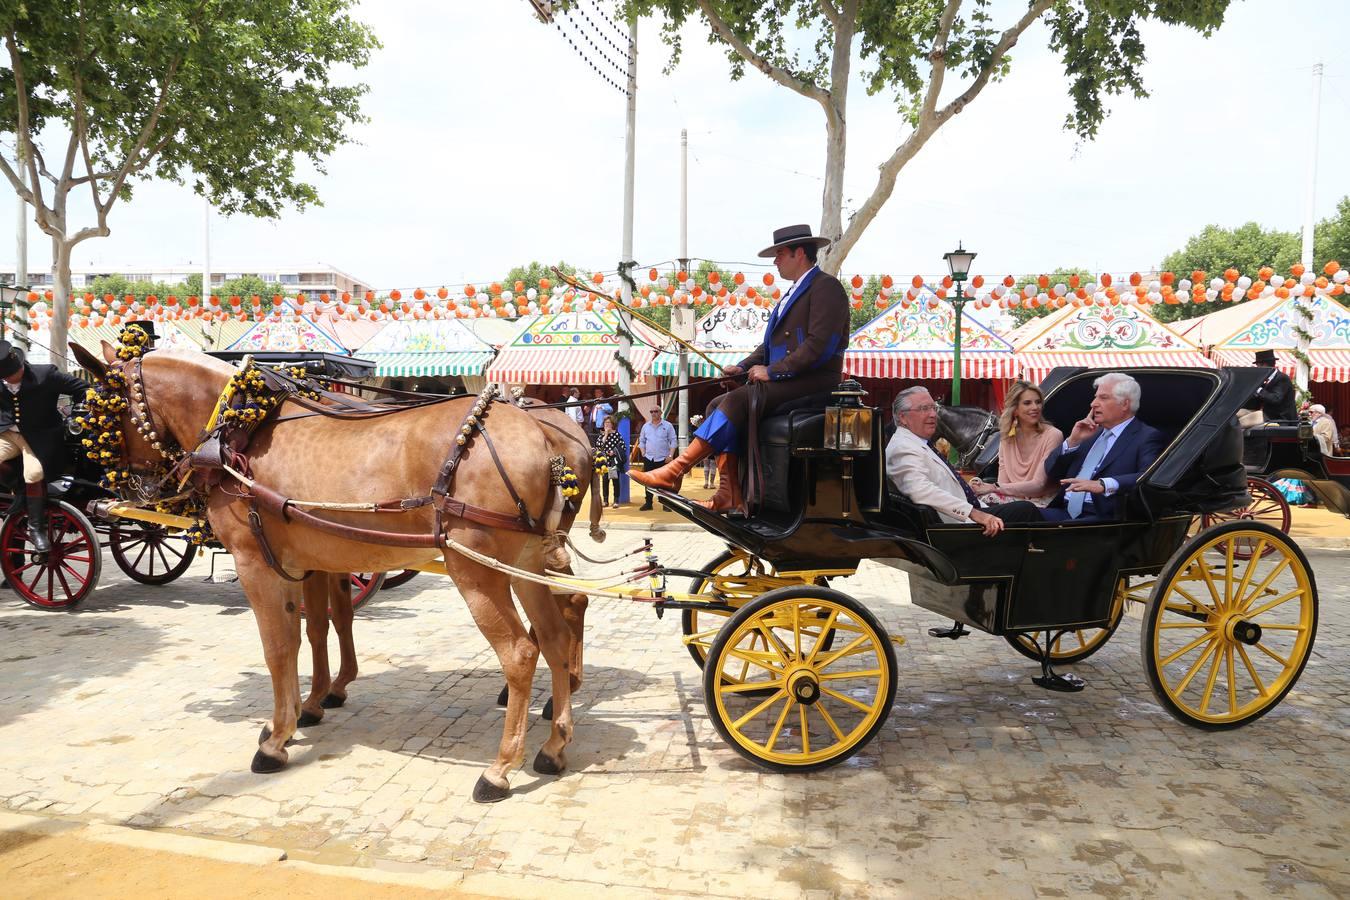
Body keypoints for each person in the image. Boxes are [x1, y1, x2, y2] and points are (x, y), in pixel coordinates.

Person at [631, 224, 850, 512]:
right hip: (789, 381)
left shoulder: (826, 287)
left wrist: (772, 372)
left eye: (779, 254)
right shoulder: (790, 294)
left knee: (736, 400)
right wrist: (743, 367)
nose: (775, 261)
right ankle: (728, 491)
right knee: (714, 405)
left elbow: (818, 345)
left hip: (816, 382)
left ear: (800, 253)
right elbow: (768, 348)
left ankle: (676, 469)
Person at [885, 387, 1043, 536]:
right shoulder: (902, 447)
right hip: (954, 527)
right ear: (902, 417)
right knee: (1026, 510)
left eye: (933, 408)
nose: (933, 414)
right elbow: (921, 490)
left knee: (1024, 509)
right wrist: (975, 513)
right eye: (923, 409)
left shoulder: (917, 442)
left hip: (968, 512)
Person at [0, 340, 91, 552]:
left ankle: (36, 528)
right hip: (8, 435)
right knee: (24, 480)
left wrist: (78, 415)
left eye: (18, 370)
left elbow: (83, 388)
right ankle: (21, 492)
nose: (17, 375)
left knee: (34, 473)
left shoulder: (45, 375)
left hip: (40, 438)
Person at [1041, 372, 1167, 522]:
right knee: (1016, 512)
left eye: (1103, 397)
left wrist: (1103, 484)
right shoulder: (1089, 433)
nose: (1093, 404)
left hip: (1103, 517)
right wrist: (1073, 441)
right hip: (1064, 510)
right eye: (1095, 397)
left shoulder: (1146, 436)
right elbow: (1051, 472)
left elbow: (1149, 476)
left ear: (1125, 404)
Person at [971, 382, 1064, 507]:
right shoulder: (1006, 438)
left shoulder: (1053, 435)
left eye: (1038, 402)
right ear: (1014, 410)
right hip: (1014, 501)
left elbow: (1039, 485)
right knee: (975, 500)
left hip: (1042, 502)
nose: (1035, 407)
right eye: (1027, 403)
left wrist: (993, 487)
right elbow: (1003, 483)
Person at [636, 405, 677, 511]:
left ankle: (665, 504)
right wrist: (643, 453)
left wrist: (670, 456)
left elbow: (673, 441)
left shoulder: (668, 426)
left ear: (660, 412)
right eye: (651, 411)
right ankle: (648, 503)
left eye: (655, 411)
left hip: (664, 458)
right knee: (648, 481)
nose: (653, 413)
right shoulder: (646, 426)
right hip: (649, 458)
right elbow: (642, 441)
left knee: (664, 482)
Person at [1247, 349, 1298, 423]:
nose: (1257, 369)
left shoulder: (1282, 378)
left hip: (1281, 420)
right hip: (1267, 416)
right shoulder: (1265, 380)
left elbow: (1275, 399)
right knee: (1235, 415)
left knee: (1241, 423)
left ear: (1263, 365)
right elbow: (1256, 404)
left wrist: (1257, 389)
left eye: (1258, 366)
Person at [592, 415, 627, 509]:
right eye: (605, 423)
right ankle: (605, 500)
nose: (606, 425)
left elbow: (623, 447)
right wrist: (606, 434)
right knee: (605, 481)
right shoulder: (601, 435)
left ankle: (616, 501)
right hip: (604, 462)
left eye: (608, 423)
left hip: (613, 461)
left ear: (612, 424)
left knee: (615, 480)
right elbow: (599, 446)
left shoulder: (617, 435)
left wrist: (614, 452)